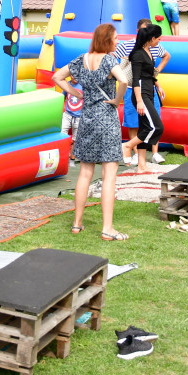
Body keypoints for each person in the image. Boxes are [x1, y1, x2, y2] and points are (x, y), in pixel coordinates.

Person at [52, 23, 130, 241]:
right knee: (109, 175)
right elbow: (123, 80)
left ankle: (77, 224)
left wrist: (75, 92)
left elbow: (57, 77)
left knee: (85, 173)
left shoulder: (82, 59)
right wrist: (117, 99)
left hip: (86, 119)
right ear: (106, 40)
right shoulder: (108, 60)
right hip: (107, 118)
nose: (117, 42)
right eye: (115, 38)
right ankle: (107, 229)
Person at [114, 18, 170, 164]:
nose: (159, 41)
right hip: (141, 94)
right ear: (151, 38)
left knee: (146, 127)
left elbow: (148, 74)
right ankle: (127, 145)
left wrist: (157, 84)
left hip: (149, 92)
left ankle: (141, 165)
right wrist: (139, 100)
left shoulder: (149, 51)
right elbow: (137, 79)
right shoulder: (138, 53)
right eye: (158, 38)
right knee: (156, 127)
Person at [61, 78, 83, 160]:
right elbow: (63, 97)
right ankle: (63, 154)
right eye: (73, 75)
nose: (75, 77)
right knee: (63, 133)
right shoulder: (67, 85)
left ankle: (72, 155)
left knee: (76, 138)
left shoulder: (82, 85)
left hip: (79, 116)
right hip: (68, 114)